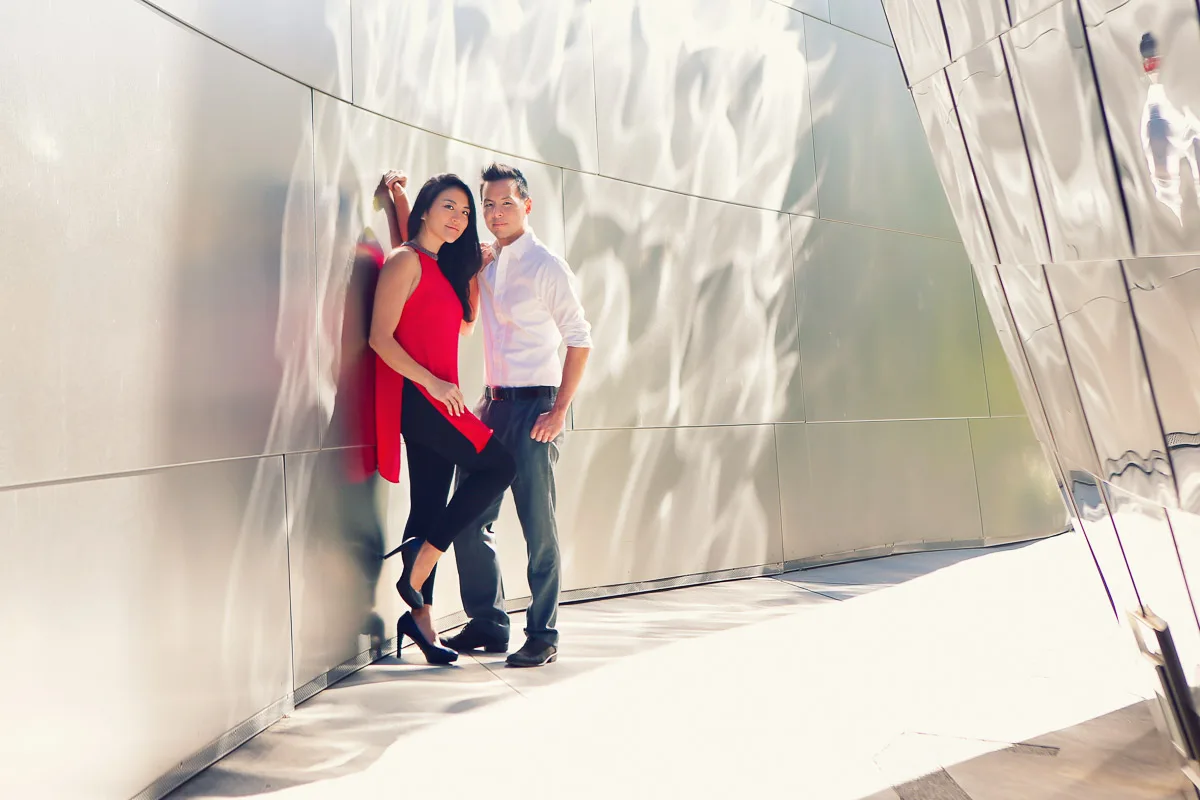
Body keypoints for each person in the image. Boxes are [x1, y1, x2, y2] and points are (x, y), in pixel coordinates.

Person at [442, 163, 593, 668]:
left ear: (527, 206)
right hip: (492, 405)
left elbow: (580, 338)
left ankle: (543, 633)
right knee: (468, 517)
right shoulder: (486, 264)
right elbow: (461, 315)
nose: (496, 212)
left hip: (535, 407)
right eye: (488, 204)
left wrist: (559, 410)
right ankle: (487, 621)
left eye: (506, 202)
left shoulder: (547, 266)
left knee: (537, 526)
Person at [370, 172, 516, 665]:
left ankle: (421, 620)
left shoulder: (439, 266)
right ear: (427, 210)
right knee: (499, 466)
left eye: (465, 212)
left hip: (439, 398)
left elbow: (466, 323)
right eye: (448, 207)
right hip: (424, 400)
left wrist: (474, 265)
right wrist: (431, 383)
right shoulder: (405, 261)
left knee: (429, 507)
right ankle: (422, 560)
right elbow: (380, 338)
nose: (458, 218)